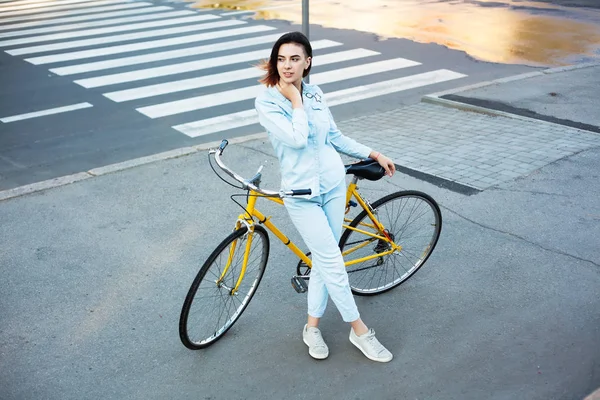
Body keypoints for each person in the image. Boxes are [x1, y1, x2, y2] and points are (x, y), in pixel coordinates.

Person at [254, 31, 396, 362]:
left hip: (333, 188)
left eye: (294, 58)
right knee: (332, 260)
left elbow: (334, 136)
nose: (286, 65)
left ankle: (312, 327)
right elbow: (297, 139)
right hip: (302, 196)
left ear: (308, 62)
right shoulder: (267, 101)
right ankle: (360, 330)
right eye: (281, 58)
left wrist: (373, 153)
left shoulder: (316, 93)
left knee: (324, 258)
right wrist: (296, 102)